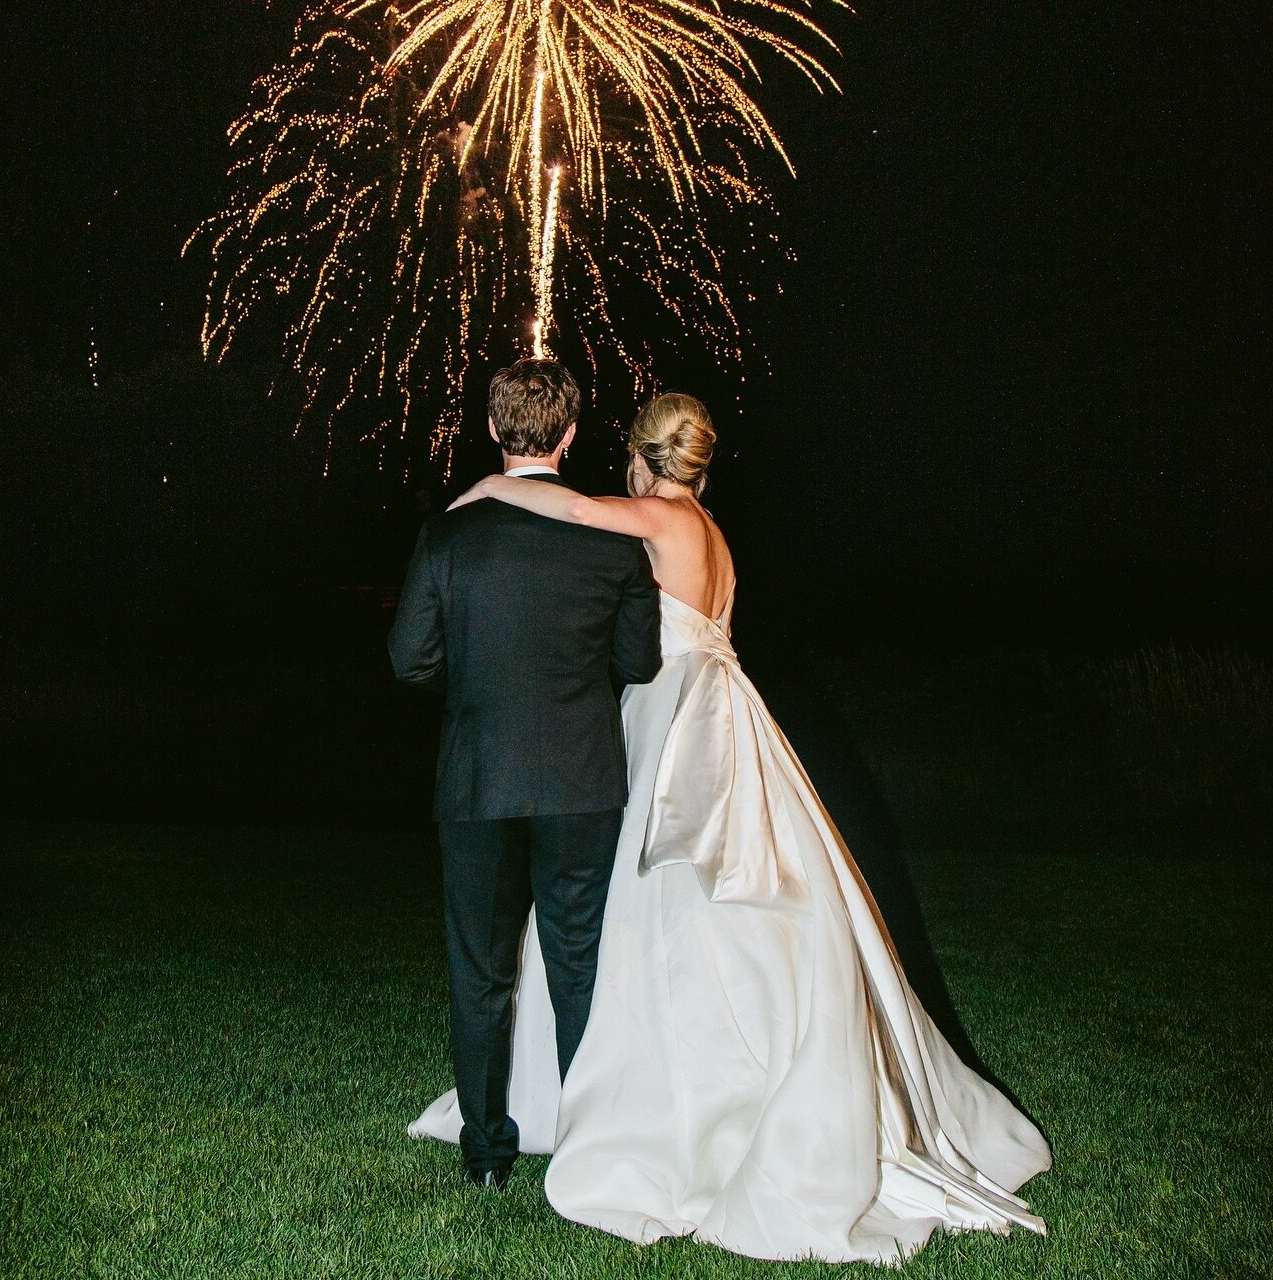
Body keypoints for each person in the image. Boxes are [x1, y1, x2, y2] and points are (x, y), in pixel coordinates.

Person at [409, 391, 1052, 1263]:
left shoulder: (654, 514)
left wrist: (484, 489)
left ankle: (660, 1103)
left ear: (641, 456)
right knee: (724, 902)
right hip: (727, 704)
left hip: (675, 714)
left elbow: (561, 502)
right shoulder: (713, 531)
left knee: (657, 896)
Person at [387, 357, 661, 1191]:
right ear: (571, 435)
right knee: (577, 964)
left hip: (477, 778)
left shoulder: (448, 535)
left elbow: (408, 661)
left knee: (480, 969)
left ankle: (485, 1154)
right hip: (580, 779)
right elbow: (640, 662)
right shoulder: (614, 539)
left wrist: (474, 689)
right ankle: (583, 1149)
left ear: (492, 430)